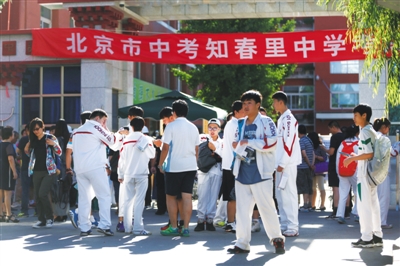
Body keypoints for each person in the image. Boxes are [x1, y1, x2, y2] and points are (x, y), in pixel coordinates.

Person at [227, 90, 285, 254]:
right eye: (244, 103)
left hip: (262, 173)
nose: (245, 106)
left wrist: (249, 142)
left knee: (267, 208)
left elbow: (272, 143)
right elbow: (235, 143)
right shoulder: (240, 123)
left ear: (258, 105)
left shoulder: (266, 122)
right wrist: (240, 145)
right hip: (242, 172)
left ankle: (277, 239)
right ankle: (242, 243)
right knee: (243, 211)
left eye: (249, 103)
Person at [71, 109, 123, 236]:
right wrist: (120, 134)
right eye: (104, 121)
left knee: (84, 198)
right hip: (95, 167)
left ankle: (84, 227)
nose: (104, 124)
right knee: (104, 196)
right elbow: (112, 141)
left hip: (80, 168)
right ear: (98, 118)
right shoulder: (96, 127)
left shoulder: (76, 131)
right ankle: (104, 225)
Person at [344, 104, 383, 248]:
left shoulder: (365, 132)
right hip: (370, 174)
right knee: (373, 205)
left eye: (356, 115)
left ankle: (367, 237)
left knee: (363, 206)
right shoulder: (370, 130)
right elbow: (368, 152)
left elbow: (370, 154)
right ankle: (377, 236)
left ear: (364, 115)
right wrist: (356, 156)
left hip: (364, 175)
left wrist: (351, 159)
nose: (354, 118)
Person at [158, 100, 199, 237]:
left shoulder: (171, 126)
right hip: (190, 165)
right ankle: (186, 227)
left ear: (174, 112)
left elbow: (165, 147)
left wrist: (160, 164)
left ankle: (174, 227)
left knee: (171, 197)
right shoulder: (193, 127)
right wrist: (194, 162)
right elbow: (196, 148)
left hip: (174, 166)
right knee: (187, 197)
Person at [118, 117, 155, 235]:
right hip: (142, 173)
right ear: (143, 126)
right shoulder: (146, 139)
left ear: (131, 127)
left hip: (128, 174)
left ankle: (128, 227)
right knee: (139, 201)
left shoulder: (126, 139)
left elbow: (121, 159)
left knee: (127, 201)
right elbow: (152, 154)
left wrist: (120, 173)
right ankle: (138, 228)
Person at [272, 91, 301, 237]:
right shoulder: (282, 119)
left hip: (287, 165)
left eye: (274, 102)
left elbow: (289, 142)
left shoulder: (289, 119)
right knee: (280, 195)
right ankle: (285, 224)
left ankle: (293, 226)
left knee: (289, 195)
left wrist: (283, 162)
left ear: (280, 102)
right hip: (280, 164)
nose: (273, 105)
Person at [25, 118, 62, 229]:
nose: (35, 131)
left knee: (42, 194)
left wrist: (54, 144)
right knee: (37, 196)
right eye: (33, 129)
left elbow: (59, 152)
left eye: (37, 129)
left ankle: (50, 218)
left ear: (42, 127)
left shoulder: (50, 138)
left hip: (49, 170)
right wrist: (27, 150)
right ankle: (41, 220)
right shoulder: (33, 140)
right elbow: (31, 156)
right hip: (36, 170)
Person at [220, 101, 245, 233]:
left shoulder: (231, 124)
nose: (245, 112)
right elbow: (237, 145)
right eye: (243, 110)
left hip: (229, 164)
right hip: (232, 165)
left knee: (232, 196)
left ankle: (231, 222)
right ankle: (230, 223)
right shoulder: (235, 125)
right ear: (236, 112)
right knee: (233, 197)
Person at [194, 118, 223, 232]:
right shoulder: (202, 139)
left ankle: (210, 219)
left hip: (216, 171)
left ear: (219, 129)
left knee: (213, 196)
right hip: (203, 171)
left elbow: (224, 156)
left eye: (215, 128)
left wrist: (214, 149)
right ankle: (201, 219)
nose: (212, 130)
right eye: (210, 127)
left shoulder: (222, 142)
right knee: (202, 196)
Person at [321, 120, 345, 219]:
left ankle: (335, 210)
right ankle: (345, 211)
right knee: (345, 188)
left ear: (334, 127)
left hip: (334, 164)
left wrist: (323, 148)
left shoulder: (334, 137)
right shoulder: (345, 136)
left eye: (330, 128)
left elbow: (331, 152)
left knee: (335, 188)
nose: (330, 131)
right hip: (344, 164)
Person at [335, 125, 359, 224]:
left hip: (342, 172)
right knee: (358, 192)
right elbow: (360, 159)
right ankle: (358, 214)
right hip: (355, 172)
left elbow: (338, 159)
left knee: (343, 193)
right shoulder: (358, 143)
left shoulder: (342, 143)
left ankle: (340, 214)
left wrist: (338, 172)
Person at [373, 117, 392, 229]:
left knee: (374, 198)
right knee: (384, 198)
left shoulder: (373, 137)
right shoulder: (384, 139)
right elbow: (392, 153)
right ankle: (382, 222)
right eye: (388, 128)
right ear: (384, 127)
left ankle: (374, 222)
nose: (388, 130)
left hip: (372, 172)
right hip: (383, 173)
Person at [52, 119, 71, 222]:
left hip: (57, 167)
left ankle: (57, 214)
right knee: (65, 190)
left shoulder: (56, 139)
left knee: (56, 190)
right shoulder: (69, 139)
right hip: (67, 166)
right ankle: (64, 213)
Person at [0, 127, 19, 223]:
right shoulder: (9, 145)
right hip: (7, 171)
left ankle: (1, 214)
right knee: (8, 193)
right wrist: (14, 171)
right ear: (10, 135)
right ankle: (9, 214)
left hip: (0, 171)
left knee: (1, 193)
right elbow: (10, 159)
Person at [307, 132, 327, 211]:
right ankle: (317, 204)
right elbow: (325, 158)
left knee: (317, 187)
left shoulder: (318, 147)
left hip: (315, 168)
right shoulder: (320, 147)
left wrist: (316, 157)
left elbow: (324, 158)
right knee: (318, 187)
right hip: (318, 169)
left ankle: (316, 204)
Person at [297, 125, 315, 212]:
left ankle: (304, 205)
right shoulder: (309, 140)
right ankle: (309, 204)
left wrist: (308, 163)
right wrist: (312, 164)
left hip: (302, 167)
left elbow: (304, 154)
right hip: (309, 167)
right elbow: (313, 153)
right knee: (308, 185)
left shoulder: (301, 141)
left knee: (302, 186)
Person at [16, 125, 32, 218]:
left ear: (26, 130)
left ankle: (24, 210)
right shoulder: (39, 138)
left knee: (25, 190)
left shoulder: (24, 139)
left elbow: (17, 151)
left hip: (25, 167)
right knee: (37, 190)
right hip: (37, 167)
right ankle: (38, 211)